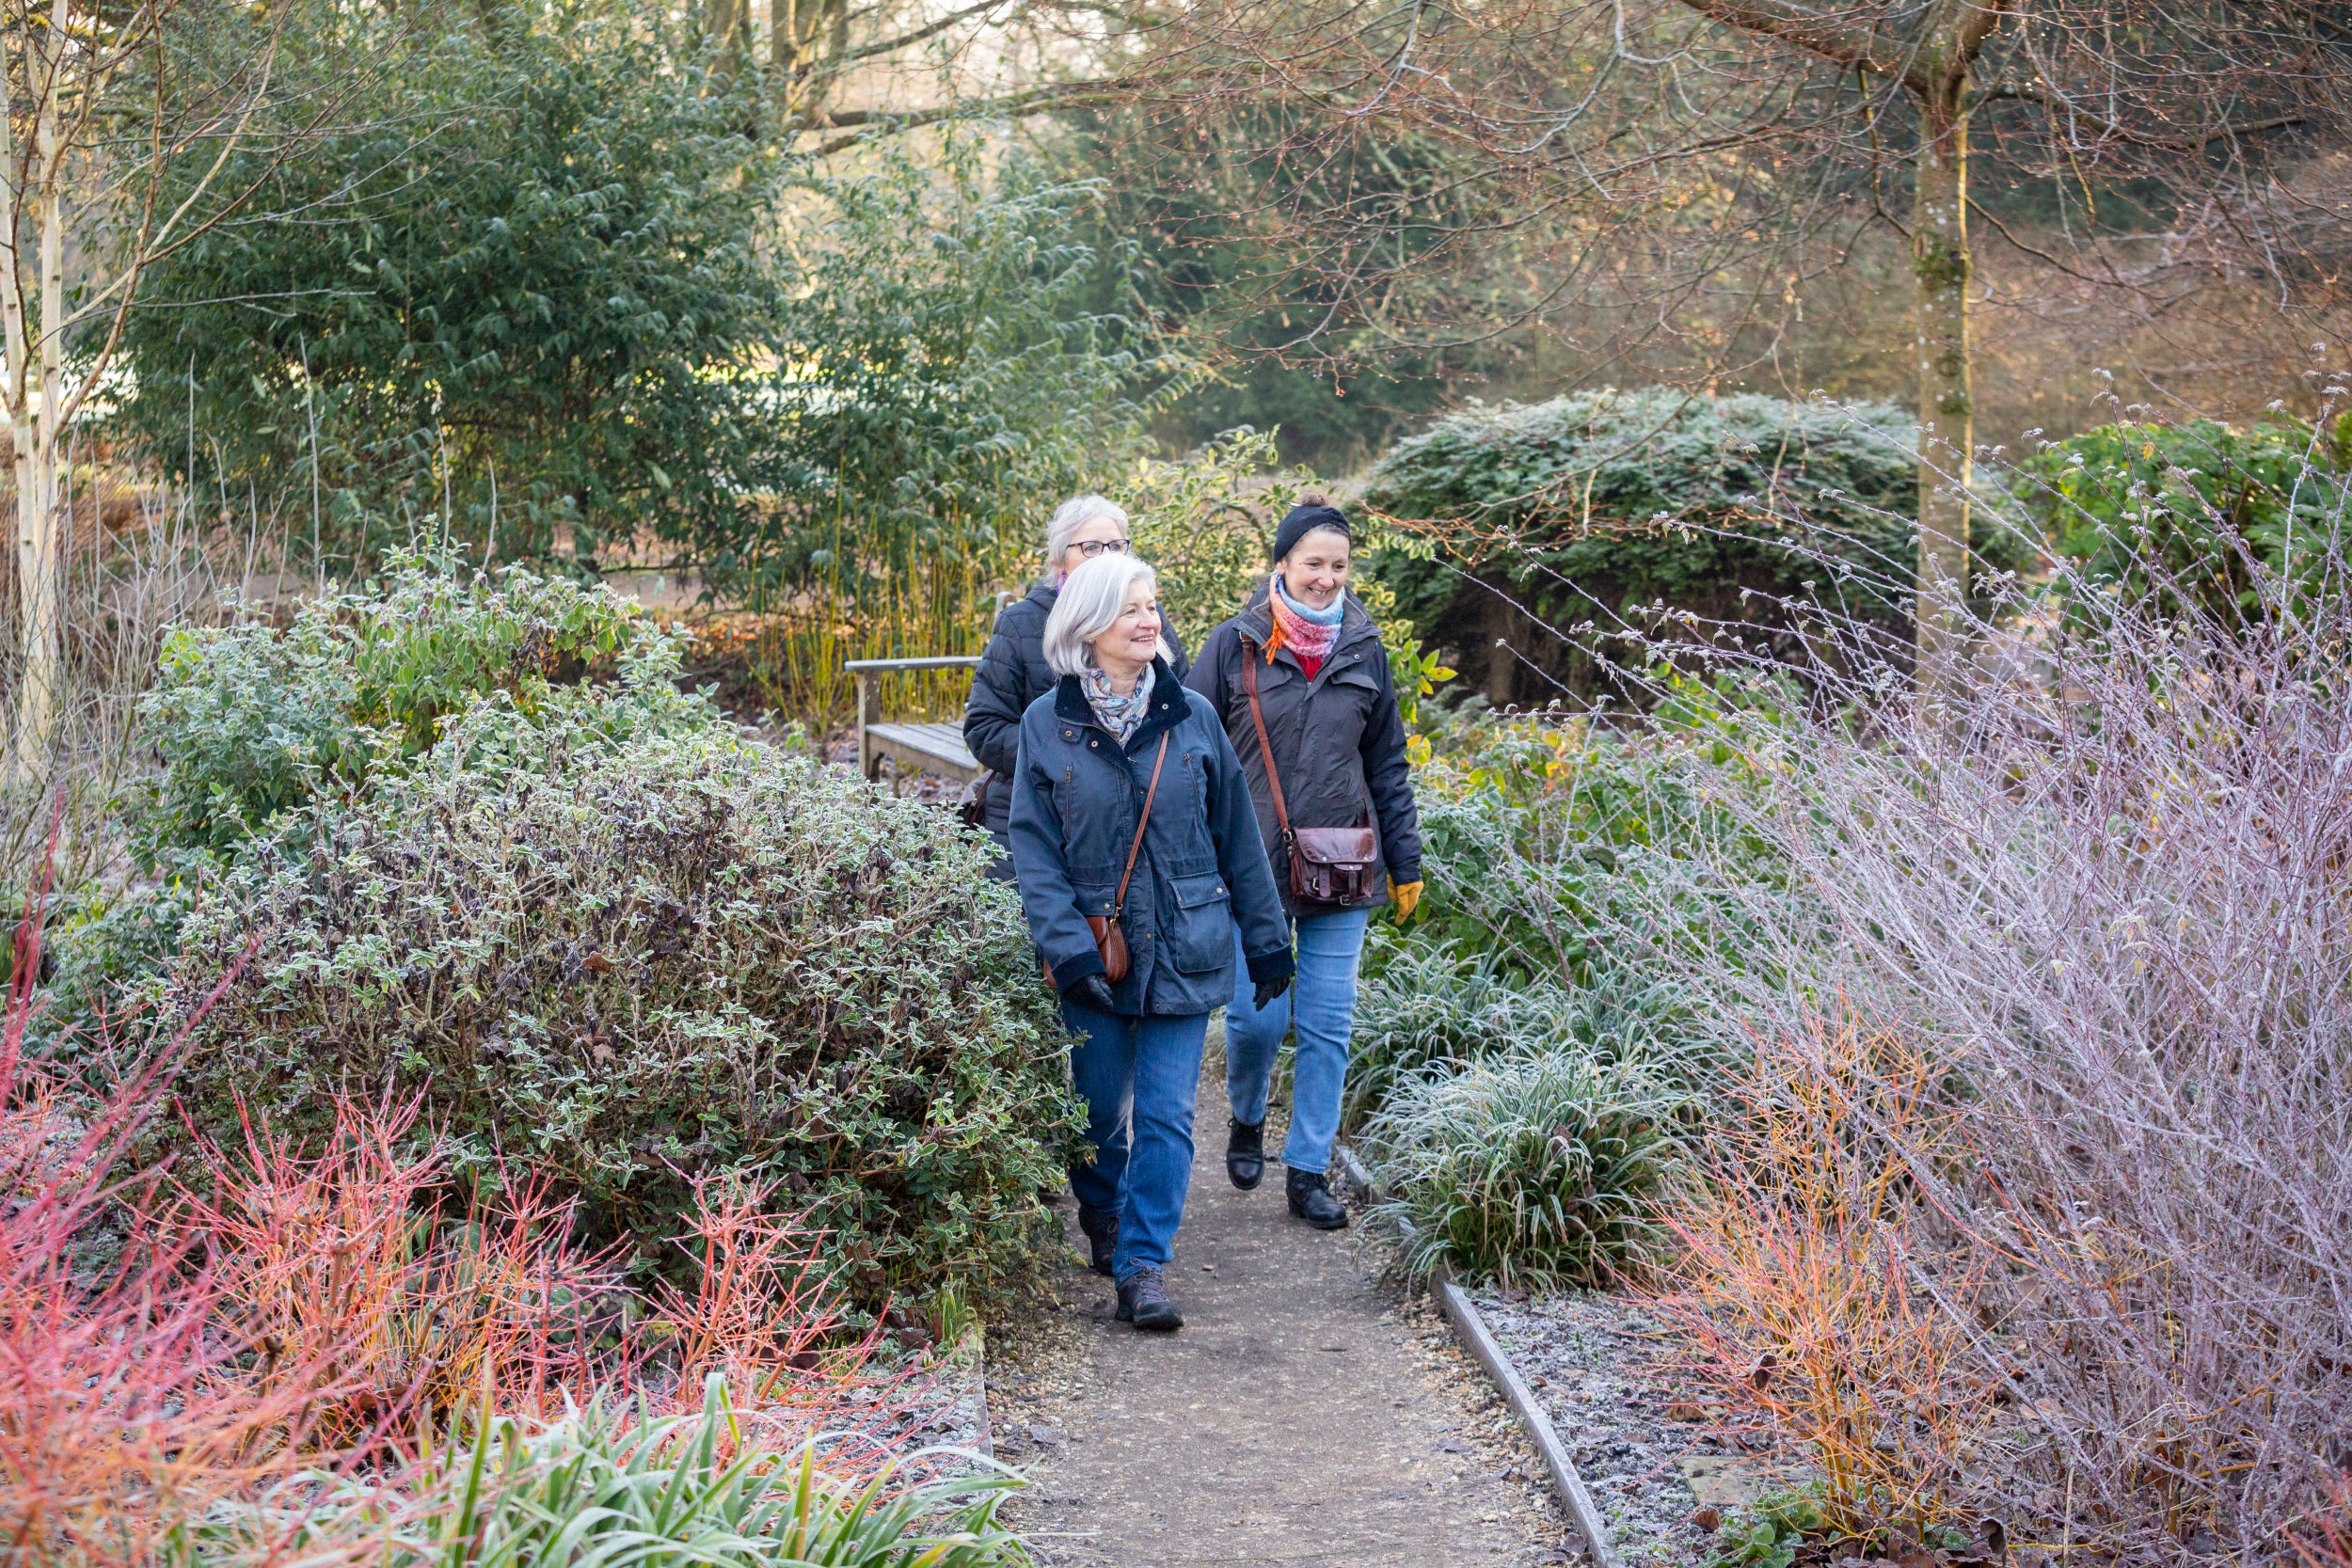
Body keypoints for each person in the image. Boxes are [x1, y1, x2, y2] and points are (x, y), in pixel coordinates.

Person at [1007, 551, 1293, 1331]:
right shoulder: (1048, 724)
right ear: (1089, 623)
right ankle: (1100, 1209)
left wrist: (1266, 943)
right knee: (1097, 1111)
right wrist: (1066, 949)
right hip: (1095, 954)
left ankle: (1142, 1264)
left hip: (1186, 944)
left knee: (1167, 1115)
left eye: (1153, 605)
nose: (1149, 620)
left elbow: (1238, 837)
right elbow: (1033, 850)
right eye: (1132, 607)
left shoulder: (1191, 716)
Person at [1184, 494, 1423, 1230]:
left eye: (1339, 565)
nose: (1326, 578)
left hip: (1344, 865)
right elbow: (1189, 752)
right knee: (1256, 1023)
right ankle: (1248, 1116)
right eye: (1313, 563)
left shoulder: (1365, 648)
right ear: (1281, 564)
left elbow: (1387, 765)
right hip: (1247, 866)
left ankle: (1309, 1168)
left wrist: (1405, 861)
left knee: (1328, 1022)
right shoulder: (1234, 644)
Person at [965, 496, 1188, 877]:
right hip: (1042, 818)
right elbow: (985, 730)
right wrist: (1068, 761)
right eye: (1090, 547)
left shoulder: (1148, 619)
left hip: (1138, 819)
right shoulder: (1021, 624)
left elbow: (1179, 707)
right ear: (1059, 559)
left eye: (1117, 546)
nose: (1106, 556)